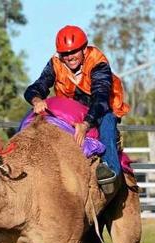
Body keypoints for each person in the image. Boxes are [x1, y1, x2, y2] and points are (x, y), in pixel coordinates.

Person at [24, 25, 130, 188]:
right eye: (65, 53)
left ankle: (110, 172)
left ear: (84, 50)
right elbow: (38, 85)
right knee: (35, 121)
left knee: (107, 122)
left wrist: (86, 124)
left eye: (73, 52)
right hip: (71, 108)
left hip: (101, 107)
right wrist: (37, 100)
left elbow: (100, 97)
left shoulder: (98, 62)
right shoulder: (55, 63)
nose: (69, 57)